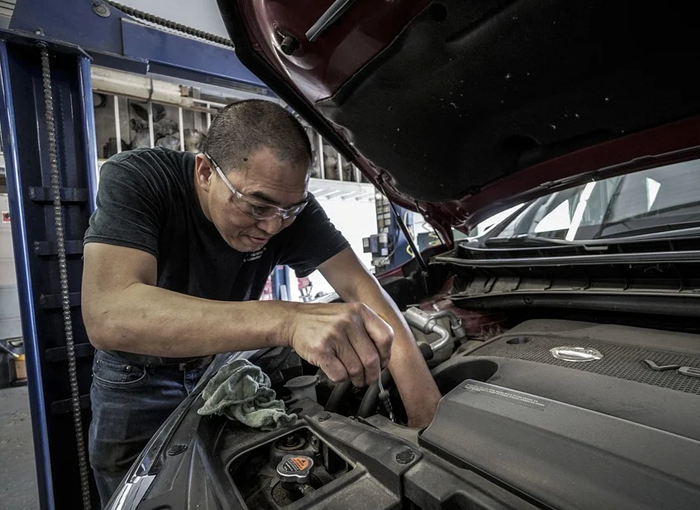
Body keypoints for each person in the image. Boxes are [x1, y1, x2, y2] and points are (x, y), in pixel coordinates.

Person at [81, 100, 441, 505]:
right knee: (138, 494)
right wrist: (288, 321)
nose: (272, 226)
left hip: (219, 368)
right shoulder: (140, 178)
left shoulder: (287, 208)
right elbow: (109, 313)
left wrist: (425, 412)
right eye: (256, 206)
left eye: (290, 209)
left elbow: (361, 287)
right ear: (204, 172)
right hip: (136, 380)